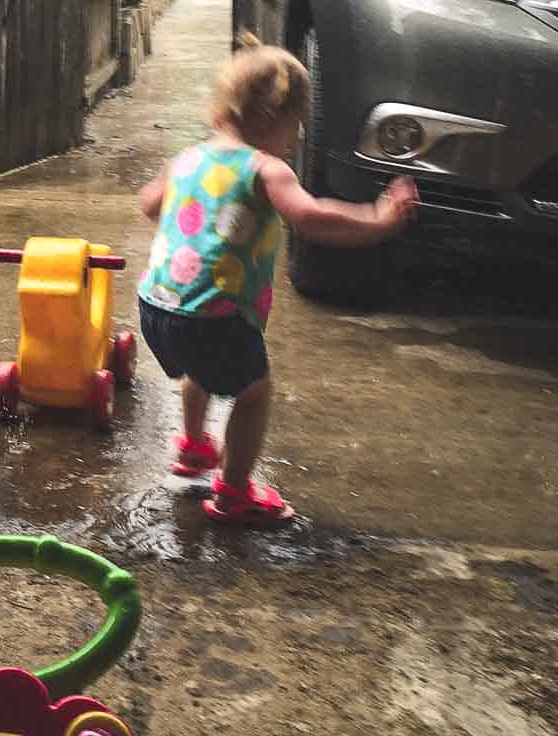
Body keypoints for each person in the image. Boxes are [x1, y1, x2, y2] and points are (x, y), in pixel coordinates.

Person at [136, 35, 417, 526]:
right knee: (253, 393)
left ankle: (195, 447)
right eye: (295, 129)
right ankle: (234, 492)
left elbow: (148, 203)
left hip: (156, 308)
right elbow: (310, 218)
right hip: (216, 319)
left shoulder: (188, 157)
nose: (294, 140)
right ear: (275, 119)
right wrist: (378, 218)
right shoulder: (266, 168)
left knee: (196, 372)